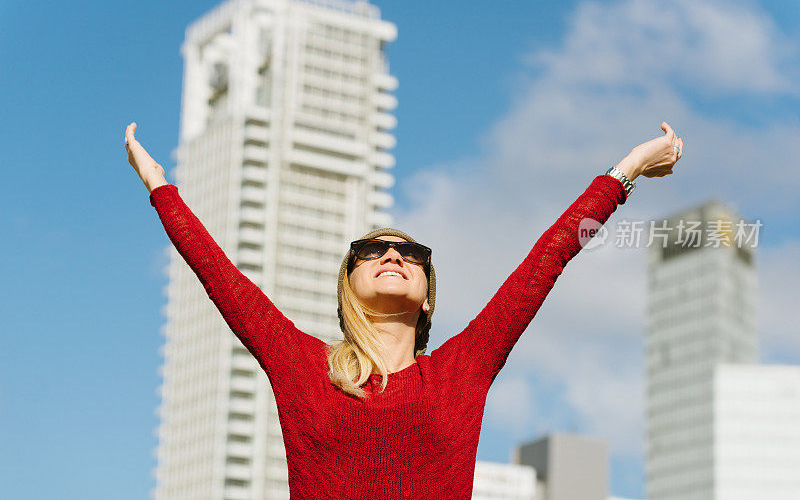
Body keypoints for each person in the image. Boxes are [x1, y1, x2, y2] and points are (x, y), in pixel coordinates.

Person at [125, 121, 682, 499]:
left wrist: (627, 168)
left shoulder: (463, 369)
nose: (393, 253)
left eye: (411, 253)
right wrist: (160, 187)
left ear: (428, 293)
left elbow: (550, 256)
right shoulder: (303, 368)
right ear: (348, 286)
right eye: (371, 250)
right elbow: (220, 276)